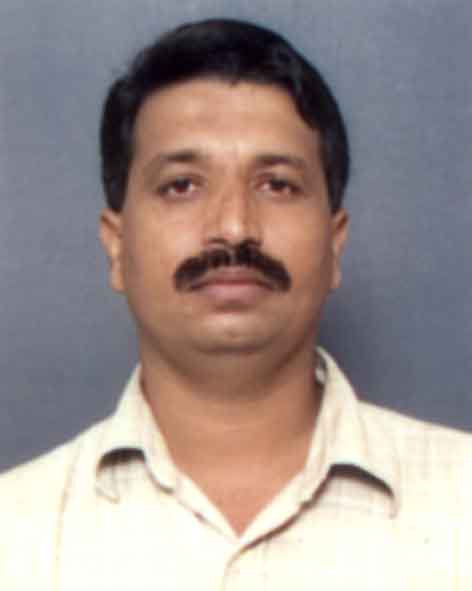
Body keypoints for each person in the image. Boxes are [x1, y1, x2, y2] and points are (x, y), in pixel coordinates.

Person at [1, 18, 471, 590]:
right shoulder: (15, 531)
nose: (233, 226)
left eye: (277, 185)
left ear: (334, 243)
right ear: (117, 246)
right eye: (181, 185)